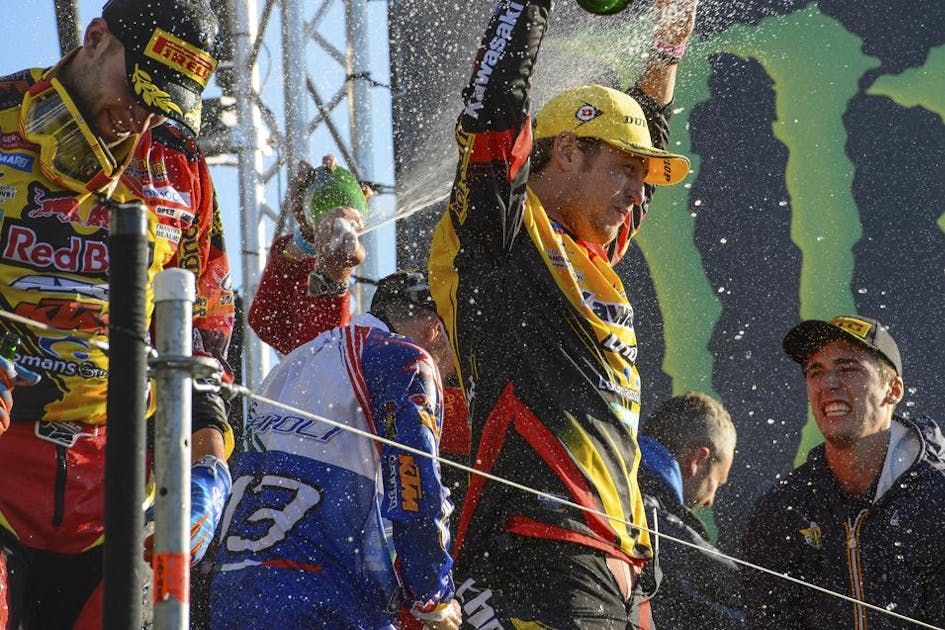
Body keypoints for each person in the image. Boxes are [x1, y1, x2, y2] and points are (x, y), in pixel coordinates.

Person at [428, 0, 698, 624]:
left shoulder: (593, 251)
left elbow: (650, 127)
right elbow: (495, 104)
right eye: (626, 170)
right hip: (537, 551)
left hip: (618, 568)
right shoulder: (502, 236)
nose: (637, 192)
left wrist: (667, 46)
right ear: (568, 151)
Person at [0, 1, 235, 627]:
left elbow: (203, 334)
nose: (140, 118)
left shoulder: (182, 167)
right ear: (96, 37)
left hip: (119, 495)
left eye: (163, 106)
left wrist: (209, 467)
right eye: (138, 91)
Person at [210, 271, 462, 630]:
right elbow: (414, 482)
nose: (452, 374)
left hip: (234, 597)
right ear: (435, 329)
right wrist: (433, 596)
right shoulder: (406, 358)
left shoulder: (295, 362)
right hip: (325, 602)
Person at [248, 157, 472, 509]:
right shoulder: (369, 373)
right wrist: (312, 247)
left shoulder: (486, 386)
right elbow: (288, 334)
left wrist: (331, 266)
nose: (383, 345)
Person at [741, 315, 945, 628]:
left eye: (848, 368)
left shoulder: (937, 500)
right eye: (815, 372)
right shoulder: (782, 510)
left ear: (893, 390)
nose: (828, 384)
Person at [636, 392, 744, 628]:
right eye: (716, 483)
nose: (710, 502)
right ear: (697, 459)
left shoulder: (610, 481)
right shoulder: (652, 521)